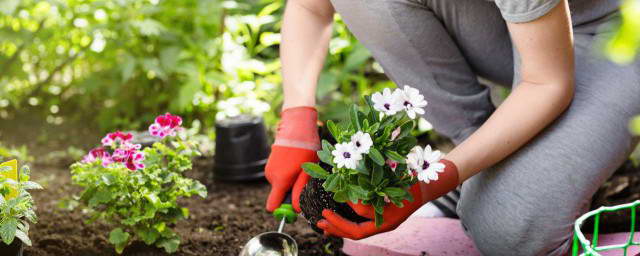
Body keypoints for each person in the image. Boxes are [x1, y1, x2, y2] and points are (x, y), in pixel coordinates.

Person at [264, 0, 640, 255]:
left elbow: (547, 83)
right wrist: (296, 120)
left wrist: (429, 183)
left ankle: (489, 181)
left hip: (617, 34)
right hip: (523, 30)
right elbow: (310, 6)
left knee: (508, 233)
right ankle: (481, 167)